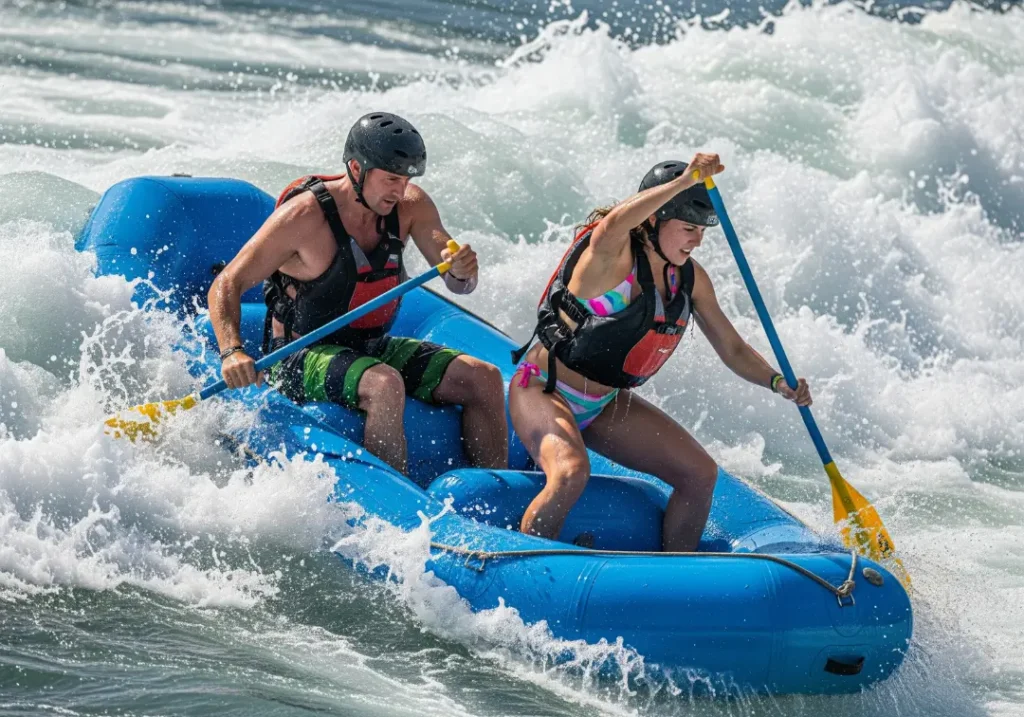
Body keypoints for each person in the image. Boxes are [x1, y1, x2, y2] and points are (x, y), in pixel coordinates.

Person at [509, 154, 812, 551]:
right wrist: (683, 181)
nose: (696, 239)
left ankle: (680, 577)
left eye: (701, 230)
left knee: (700, 475)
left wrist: (777, 382)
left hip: (605, 404)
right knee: (570, 473)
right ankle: (530, 564)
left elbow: (732, 347)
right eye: (688, 227)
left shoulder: (689, 278)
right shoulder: (609, 259)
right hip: (544, 391)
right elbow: (614, 223)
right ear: (653, 219)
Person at [208, 111, 508, 474]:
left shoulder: (411, 206)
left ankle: (497, 490)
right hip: (299, 355)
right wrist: (232, 352)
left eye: (406, 179)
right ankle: (398, 511)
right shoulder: (304, 217)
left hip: (370, 347)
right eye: (391, 179)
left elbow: (457, 279)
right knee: (385, 385)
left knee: (485, 377)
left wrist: (462, 271)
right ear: (355, 168)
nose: (399, 191)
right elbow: (227, 283)